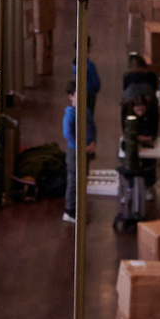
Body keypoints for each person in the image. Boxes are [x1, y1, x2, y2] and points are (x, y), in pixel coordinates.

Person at [63, 69, 97, 223]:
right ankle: (70, 210)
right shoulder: (70, 114)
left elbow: (92, 127)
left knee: (82, 180)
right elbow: (68, 134)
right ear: (71, 96)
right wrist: (82, 147)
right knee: (74, 181)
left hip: (86, 150)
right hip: (74, 152)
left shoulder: (87, 111)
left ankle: (79, 208)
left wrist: (92, 143)